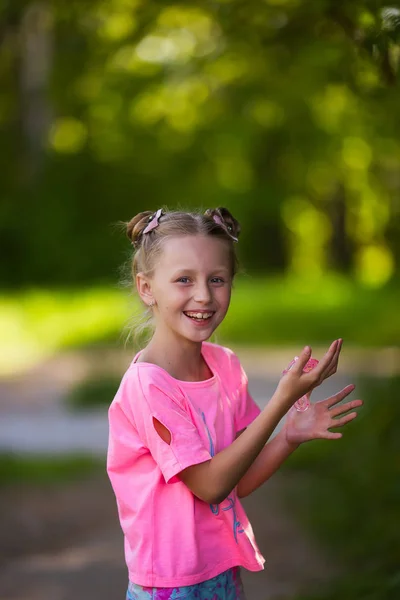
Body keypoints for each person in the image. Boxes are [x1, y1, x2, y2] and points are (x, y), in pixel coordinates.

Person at [107, 207, 363, 600]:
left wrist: (289, 436)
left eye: (217, 279)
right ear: (146, 288)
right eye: (183, 280)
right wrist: (281, 403)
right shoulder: (148, 385)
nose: (204, 295)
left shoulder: (225, 365)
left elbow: (236, 481)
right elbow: (209, 485)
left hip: (220, 567)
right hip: (169, 584)